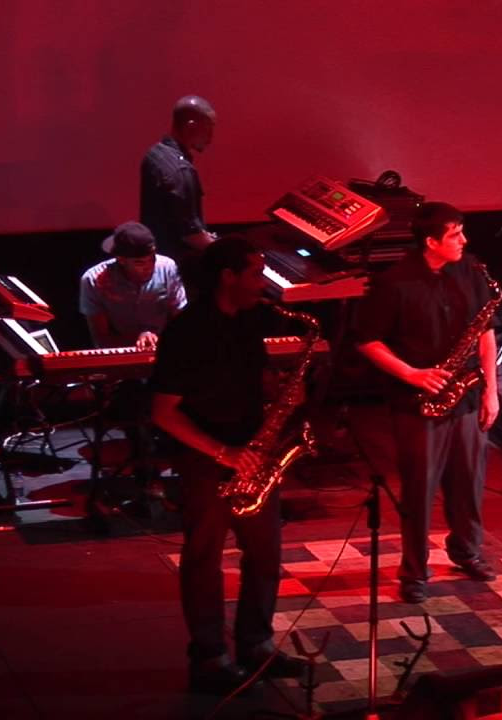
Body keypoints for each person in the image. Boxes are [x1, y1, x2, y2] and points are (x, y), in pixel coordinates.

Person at [150, 235, 305, 694]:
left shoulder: (251, 320)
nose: (264, 282)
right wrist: (224, 453)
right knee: (204, 558)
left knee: (266, 554)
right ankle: (210, 657)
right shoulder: (187, 332)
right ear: (227, 277)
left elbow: (256, 378)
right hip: (206, 459)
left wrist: (283, 393)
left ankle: (256, 644)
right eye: (256, 273)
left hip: (253, 451)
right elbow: (163, 412)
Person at [354, 202, 500, 605]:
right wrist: (412, 374)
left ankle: (467, 551)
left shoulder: (470, 271)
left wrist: (491, 390)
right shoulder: (394, 283)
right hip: (417, 401)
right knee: (419, 490)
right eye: (455, 234)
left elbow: (485, 332)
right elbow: (367, 341)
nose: (464, 240)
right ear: (431, 242)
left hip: (466, 394)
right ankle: (415, 571)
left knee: (469, 483)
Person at [140, 95, 217, 297]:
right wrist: (225, 251)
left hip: (156, 263)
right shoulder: (181, 171)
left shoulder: (155, 154)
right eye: (208, 129)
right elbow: (191, 235)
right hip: (177, 273)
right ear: (191, 126)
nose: (211, 137)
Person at [79, 221, 186, 350]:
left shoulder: (167, 268)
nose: (149, 267)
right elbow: (101, 338)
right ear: (121, 260)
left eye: (152, 259)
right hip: (120, 351)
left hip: (165, 348)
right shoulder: (94, 279)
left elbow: (182, 323)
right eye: (140, 263)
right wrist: (138, 339)